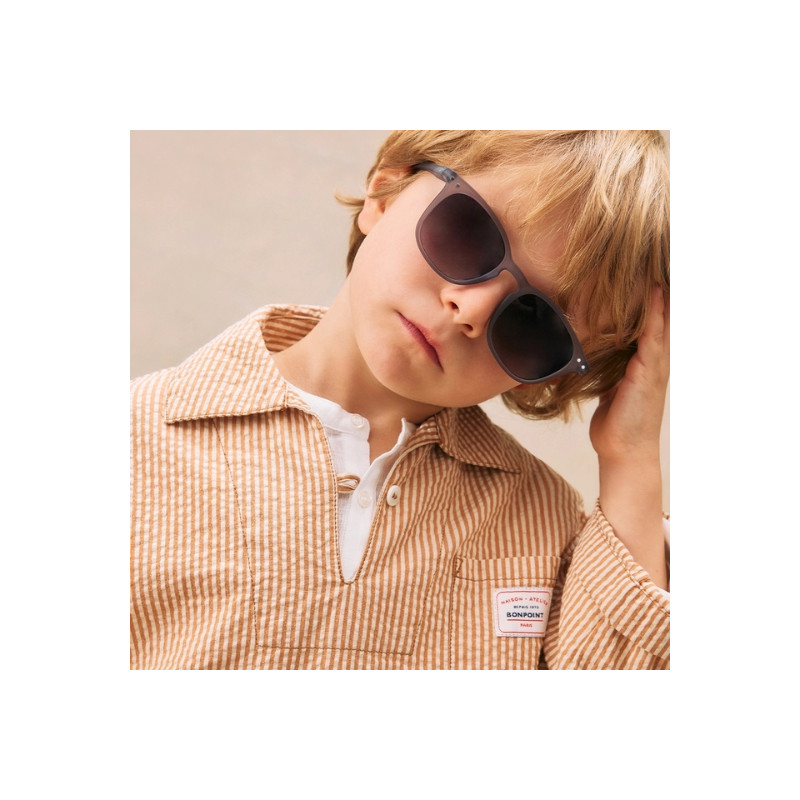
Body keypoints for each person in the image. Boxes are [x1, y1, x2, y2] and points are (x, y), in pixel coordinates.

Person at [130, 130, 670, 670]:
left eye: (536, 322)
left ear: (543, 376)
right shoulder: (134, 439)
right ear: (384, 193)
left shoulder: (544, 524)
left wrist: (631, 455)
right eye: (470, 233)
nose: (470, 310)